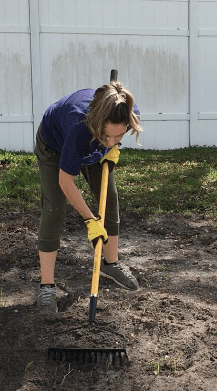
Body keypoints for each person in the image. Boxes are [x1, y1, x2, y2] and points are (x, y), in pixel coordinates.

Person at [34, 80, 143, 312]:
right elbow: (66, 182)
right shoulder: (79, 127)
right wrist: (90, 221)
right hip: (55, 144)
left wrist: (110, 148)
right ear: (98, 123)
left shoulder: (127, 111)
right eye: (109, 136)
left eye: (119, 136)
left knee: (109, 199)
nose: (114, 141)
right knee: (55, 208)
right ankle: (46, 286)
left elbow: (112, 137)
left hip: (93, 143)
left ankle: (111, 263)